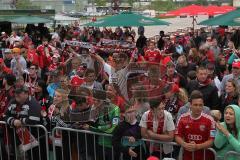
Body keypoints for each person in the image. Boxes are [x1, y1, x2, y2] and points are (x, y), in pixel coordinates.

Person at [4, 85, 45, 160]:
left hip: (34, 138)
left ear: (26, 93)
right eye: (16, 93)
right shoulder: (13, 101)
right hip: (18, 137)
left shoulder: (33, 103)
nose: (16, 95)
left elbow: (34, 120)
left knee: (36, 156)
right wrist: (13, 121)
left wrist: (20, 121)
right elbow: (5, 115)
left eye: (19, 93)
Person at [175, 90, 216, 160]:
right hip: (188, 157)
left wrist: (197, 146)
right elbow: (177, 136)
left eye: (200, 105)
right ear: (190, 105)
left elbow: (211, 141)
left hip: (205, 157)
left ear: (203, 105)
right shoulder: (182, 118)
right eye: (195, 105)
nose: (198, 107)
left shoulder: (210, 120)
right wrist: (184, 144)